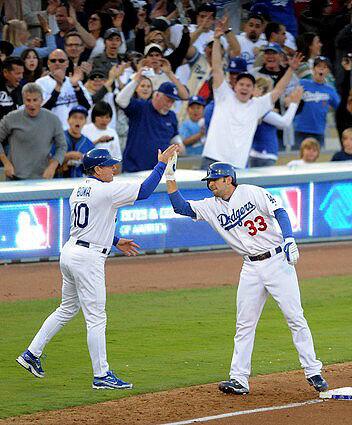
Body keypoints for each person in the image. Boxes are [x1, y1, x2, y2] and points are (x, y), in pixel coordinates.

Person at [16, 144, 179, 389]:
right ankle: (101, 375)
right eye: (108, 165)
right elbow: (144, 191)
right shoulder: (107, 190)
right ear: (96, 169)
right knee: (95, 318)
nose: (113, 168)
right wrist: (162, 164)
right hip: (87, 258)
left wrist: (114, 240)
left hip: (71, 252)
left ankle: (31, 353)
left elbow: (90, 224)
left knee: (67, 309)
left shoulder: (78, 190)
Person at [165, 156, 329, 394]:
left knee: (295, 317)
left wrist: (289, 238)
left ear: (228, 179)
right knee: (244, 324)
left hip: (276, 261)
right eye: (208, 181)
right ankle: (239, 379)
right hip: (250, 268)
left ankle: (313, 370)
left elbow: (280, 211)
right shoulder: (211, 206)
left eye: (214, 180)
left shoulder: (252, 192)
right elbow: (180, 207)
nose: (210, 184)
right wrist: (170, 176)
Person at [201, 21, 303, 170]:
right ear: (234, 86)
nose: (244, 87)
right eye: (241, 84)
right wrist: (216, 39)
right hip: (212, 159)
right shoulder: (224, 96)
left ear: (253, 89)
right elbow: (217, 68)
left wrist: (291, 69)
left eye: (249, 85)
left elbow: (278, 90)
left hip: (236, 166)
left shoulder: (257, 105)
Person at [116, 71, 184, 172]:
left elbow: (174, 136)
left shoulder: (171, 116)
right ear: (157, 95)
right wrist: (135, 81)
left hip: (159, 170)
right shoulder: (141, 107)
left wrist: (179, 144)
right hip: (135, 169)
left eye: (173, 101)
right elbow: (120, 100)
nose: (170, 103)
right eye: (167, 99)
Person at [0, 83, 66, 180]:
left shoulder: (53, 119)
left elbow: (62, 146)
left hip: (43, 178)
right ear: (23, 100)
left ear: (42, 100)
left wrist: (53, 166)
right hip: (15, 177)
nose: (31, 104)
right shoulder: (11, 118)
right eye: (28, 100)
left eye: (35, 100)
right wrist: (6, 162)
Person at [36, 49, 91, 129]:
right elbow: (42, 111)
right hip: (52, 132)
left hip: (74, 132)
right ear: (48, 63)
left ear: (67, 63)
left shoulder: (74, 81)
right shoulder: (40, 83)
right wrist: (58, 87)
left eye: (61, 61)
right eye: (53, 61)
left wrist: (76, 87)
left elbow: (87, 107)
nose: (57, 63)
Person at [294, 56, 340, 149]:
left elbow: (339, 107)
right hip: (300, 129)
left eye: (325, 67)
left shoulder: (330, 90)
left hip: (319, 131)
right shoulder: (303, 83)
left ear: (328, 71)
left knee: (318, 160)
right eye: (319, 66)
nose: (321, 69)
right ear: (313, 69)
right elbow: (292, 101)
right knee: (297, 157)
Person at [82, 101, 122, 170]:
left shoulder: (112, 132)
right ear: (94, 116)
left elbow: (117, 157)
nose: (104, 120)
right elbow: (81, 150)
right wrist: (98, 141)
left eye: (107, 117)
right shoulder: (85, 130)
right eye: (101, 117)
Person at [58, 105, 95, 178]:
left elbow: (93, 171)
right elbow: (48, 163)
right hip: (58, 184)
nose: (77, 120)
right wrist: (67, 156)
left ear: (85, 122)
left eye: (81, 118)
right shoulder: (58, 139)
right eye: (74, 117)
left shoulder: (89, 145)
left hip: (79, 184)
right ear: (68, 120)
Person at [0, 56, 24, 121]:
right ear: (5, 72)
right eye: (18, 73)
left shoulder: (22, 91)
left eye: (22, 73)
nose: (21, 77)